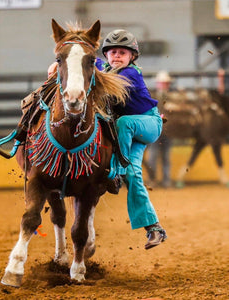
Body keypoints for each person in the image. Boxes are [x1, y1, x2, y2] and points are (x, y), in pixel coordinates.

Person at [96, 29, 167, 250]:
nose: (117, 56)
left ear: (132, 57)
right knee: (134, 173)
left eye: (122, 53)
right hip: (128, 133)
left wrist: (91, 66)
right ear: (107, 55)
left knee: (123, 123)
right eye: (113, 52)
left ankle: (116, 170)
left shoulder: (130, 74)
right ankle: (154, 228)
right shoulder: (105, 67)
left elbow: (103, 79)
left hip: (147, 124)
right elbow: (93, 63)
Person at [147, 71, 173, 188]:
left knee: (166, 157)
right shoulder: (151, 97)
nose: (163, 85)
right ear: (158, 84)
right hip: (154, 132)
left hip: (168, 131)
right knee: (153, 156)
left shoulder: (173, 98)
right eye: (162, 83)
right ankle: (153, 179)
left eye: (165, 83)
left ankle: (166, 180)